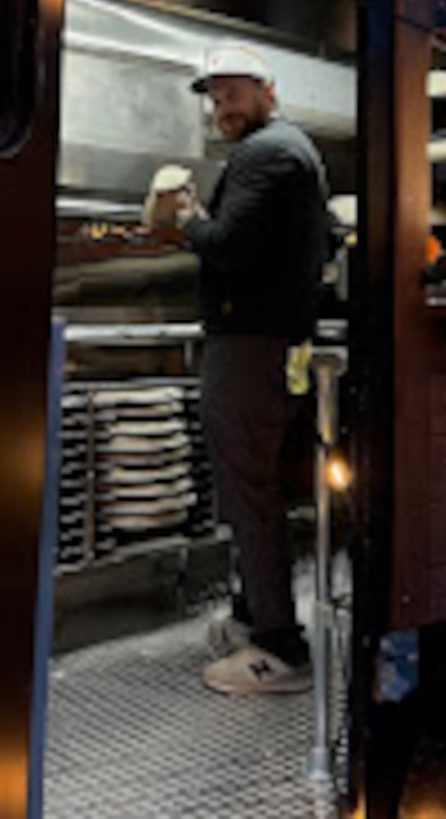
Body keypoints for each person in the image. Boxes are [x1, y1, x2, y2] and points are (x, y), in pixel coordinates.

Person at [149, 42, 330, 696]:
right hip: (277, 346)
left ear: (267, 90)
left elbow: (226, 245)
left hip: (250, 347)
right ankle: (256, 616)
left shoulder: (266, 153)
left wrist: (186, 219)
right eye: (215, 95)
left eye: (234, 92)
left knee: (250, 491)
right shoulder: (295, 151)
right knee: (257, 486)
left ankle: (280, 648)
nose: (222, 105)